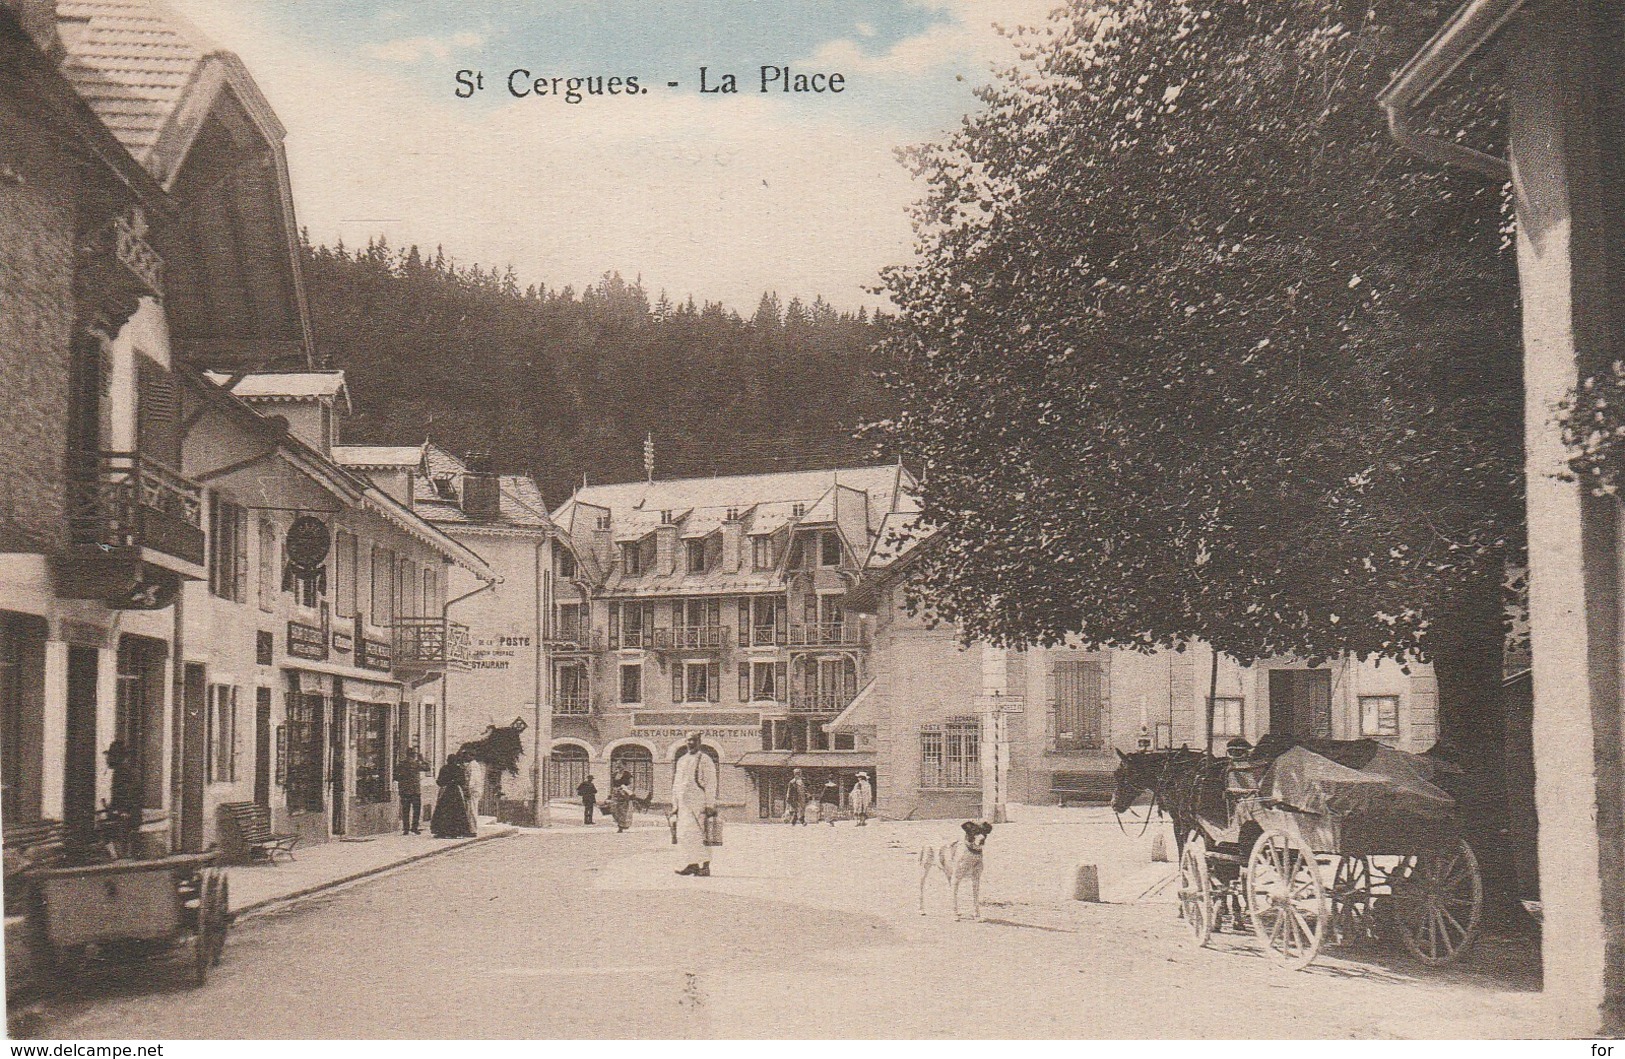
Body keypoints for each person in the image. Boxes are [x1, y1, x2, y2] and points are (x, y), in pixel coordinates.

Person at [671, 733, 718, 876]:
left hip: (699, 804)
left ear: (699, 742)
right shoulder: (681, 760)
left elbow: (711, 783)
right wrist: (675, 804)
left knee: (701, 835)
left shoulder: (705, 759)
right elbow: (676, 783)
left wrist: (710, 804)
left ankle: (705, 866)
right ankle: (692, 864)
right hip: (683, 805)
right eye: (688, 740)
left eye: (694, 740)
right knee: (684, 834)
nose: (691, 743)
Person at [430, 753, 475, 838]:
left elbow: (439, 782)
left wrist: (446, 782)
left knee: (444, 811)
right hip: (456, 792)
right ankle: (457, 831)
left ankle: (443, 831)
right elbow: (463, 781)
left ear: (447, 760)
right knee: (457, 811)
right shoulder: (459, 769)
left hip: (446, 792)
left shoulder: (444, 768)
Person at [394, 747, 430, 834]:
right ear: (414, 755)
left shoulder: (401, 764)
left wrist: (402, 782)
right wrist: (423, 759)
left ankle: (406, 829)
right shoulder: (416, 764)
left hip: (404, 790)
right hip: (415, 791)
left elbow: (395, 776)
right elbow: (427, 768)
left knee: (405, 810)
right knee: (416, 810)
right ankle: (414, 827)